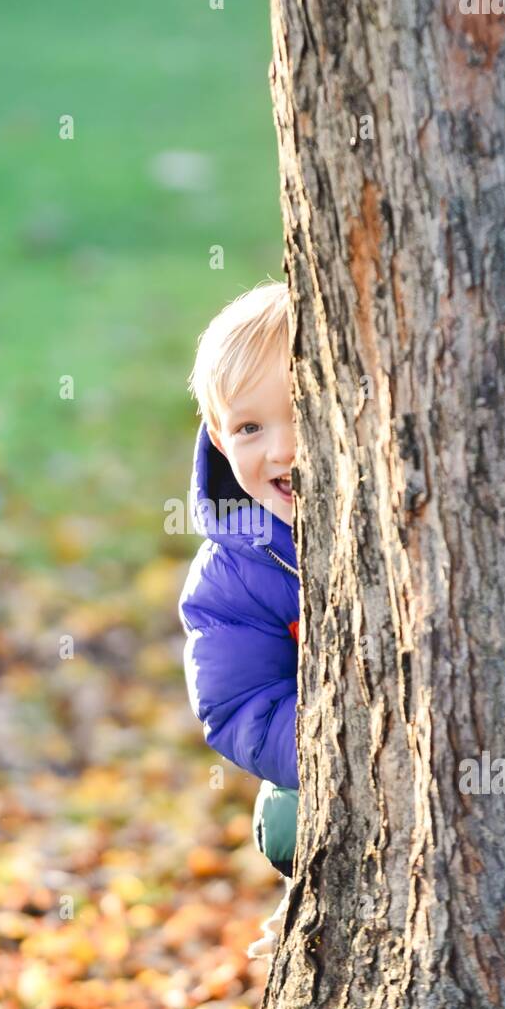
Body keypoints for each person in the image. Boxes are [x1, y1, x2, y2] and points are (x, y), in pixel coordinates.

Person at [178, 281, 300, 960]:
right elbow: (237, 704)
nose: (280, 450)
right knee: (291, 820)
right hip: (317, 775)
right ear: (221, 444)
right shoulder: (233, 574)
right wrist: (329, 742)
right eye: (250, 429)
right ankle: (324, 898)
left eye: (300, 413)